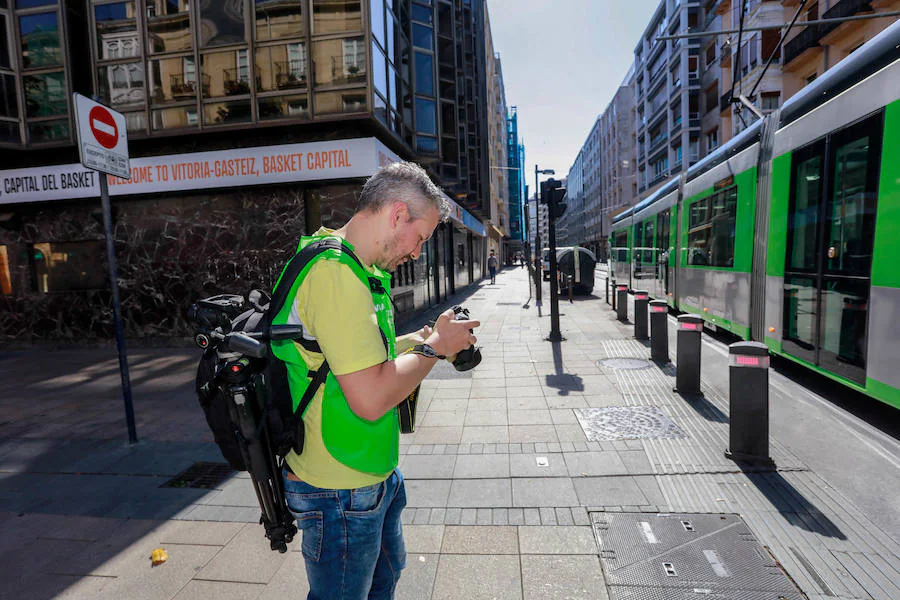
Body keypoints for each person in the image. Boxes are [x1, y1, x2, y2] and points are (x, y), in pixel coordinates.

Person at [274, 161, 479, 599]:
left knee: (383, 580)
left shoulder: (352, 266)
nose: (418, 253)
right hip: (340, 487)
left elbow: (360, 357)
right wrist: (437, 348)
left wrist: (419, 339)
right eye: (420, 238)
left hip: (367, 472)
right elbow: (370, 398)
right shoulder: (335, 275)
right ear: (398, 214)